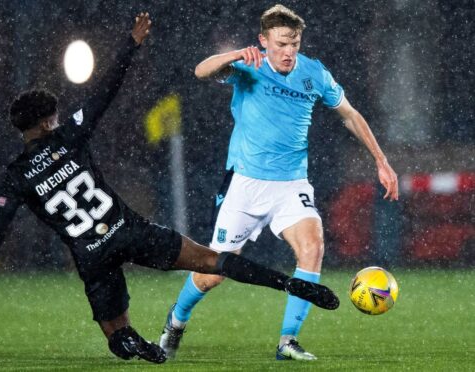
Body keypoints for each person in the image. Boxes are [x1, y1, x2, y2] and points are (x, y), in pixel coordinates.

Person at [0, 12, 339, 365]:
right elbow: (104, 91)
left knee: (117, 337)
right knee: (214, 261)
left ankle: (135, 342)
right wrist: (130, 45)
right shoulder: (68, 135)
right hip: (128, 229)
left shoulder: (14, 176)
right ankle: (288, 283)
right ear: (49, 121)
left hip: (90, 256)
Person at [159, 4, 399, 361]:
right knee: (213, 272)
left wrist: (381, 160)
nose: (289, 52)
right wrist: (236, 54)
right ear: (264, 41)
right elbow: (201, 71)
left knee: (313, 247)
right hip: (244, 184)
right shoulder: (248, 66)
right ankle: (175, 322)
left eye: (295, 44)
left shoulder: (314, 73)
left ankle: (288, 341)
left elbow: (348, 113)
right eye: (282, 43)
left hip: (291, 185)